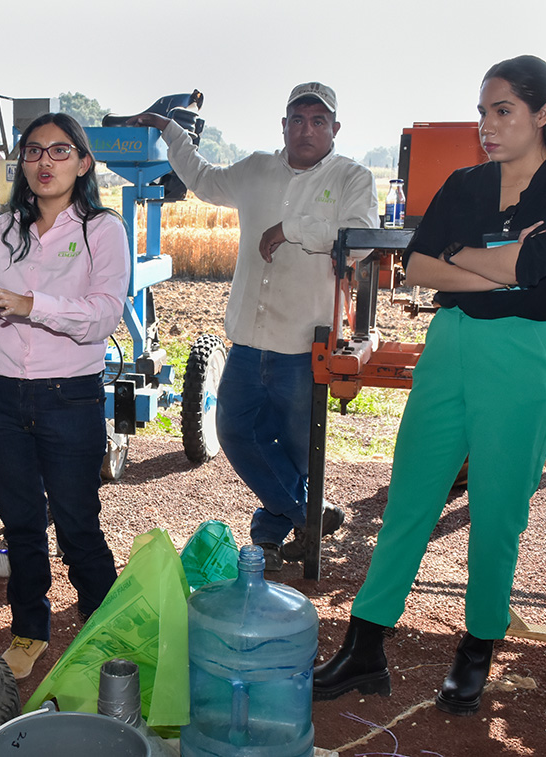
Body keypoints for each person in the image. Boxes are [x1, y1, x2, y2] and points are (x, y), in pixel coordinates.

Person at [313, 55, 546, 717]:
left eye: (502, 111)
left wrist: (466, 261)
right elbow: (416, 266)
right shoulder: (465, 182)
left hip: (522, 361)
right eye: (482, 112)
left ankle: (475, 651)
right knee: (408, 502)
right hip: (448, 349)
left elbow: (530, 264)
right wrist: (498, 269)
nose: (488, 126)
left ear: (542, 114)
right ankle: (365, 645)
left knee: (497, 515)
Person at [129, 83, 379, 571]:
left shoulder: (352, 177)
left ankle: (270, 533)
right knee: (235, 431)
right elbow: (202, 178)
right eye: (298, 119)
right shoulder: (257, 169)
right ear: (283, 125)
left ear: (335, 129)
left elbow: (360, 238)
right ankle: (308, 514)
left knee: (297, 451)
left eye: (318, 121)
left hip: (305, 343)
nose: (307, 129)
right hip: (247, 337)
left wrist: (290, 229)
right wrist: (169, 129)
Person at [0, 113, 129, 679]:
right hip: (2, 395)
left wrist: (30, 303)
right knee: (19, 523)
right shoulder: (3, 230)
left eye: (59, 151)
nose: (44, 162)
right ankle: (28, 630)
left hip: (70, 398)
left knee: (77, 524)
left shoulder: (102, 231)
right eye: (34, 151)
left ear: (83, 163)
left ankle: (103, 628)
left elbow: (102, 316)